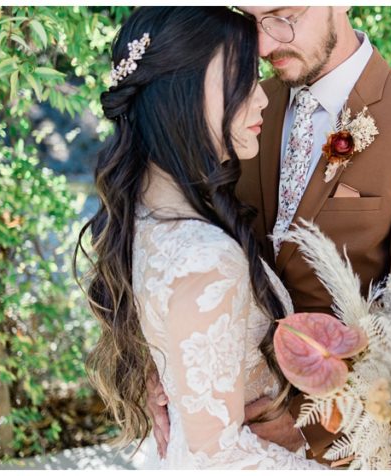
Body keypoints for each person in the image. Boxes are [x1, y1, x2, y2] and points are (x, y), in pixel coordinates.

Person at [148, 6, 391, 464]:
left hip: (334, 447)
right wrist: (162, 359)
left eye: (281, 15)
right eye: (250, 20)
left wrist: (307, 423)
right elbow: (176, 247)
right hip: (214, 427)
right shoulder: (243, 107)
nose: (262, 44)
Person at [78, 6, 326, 469]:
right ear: (183, 91)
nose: (263, 99)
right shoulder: (207, 258)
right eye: (242, 78)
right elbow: (220, 457)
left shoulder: (145, 216)